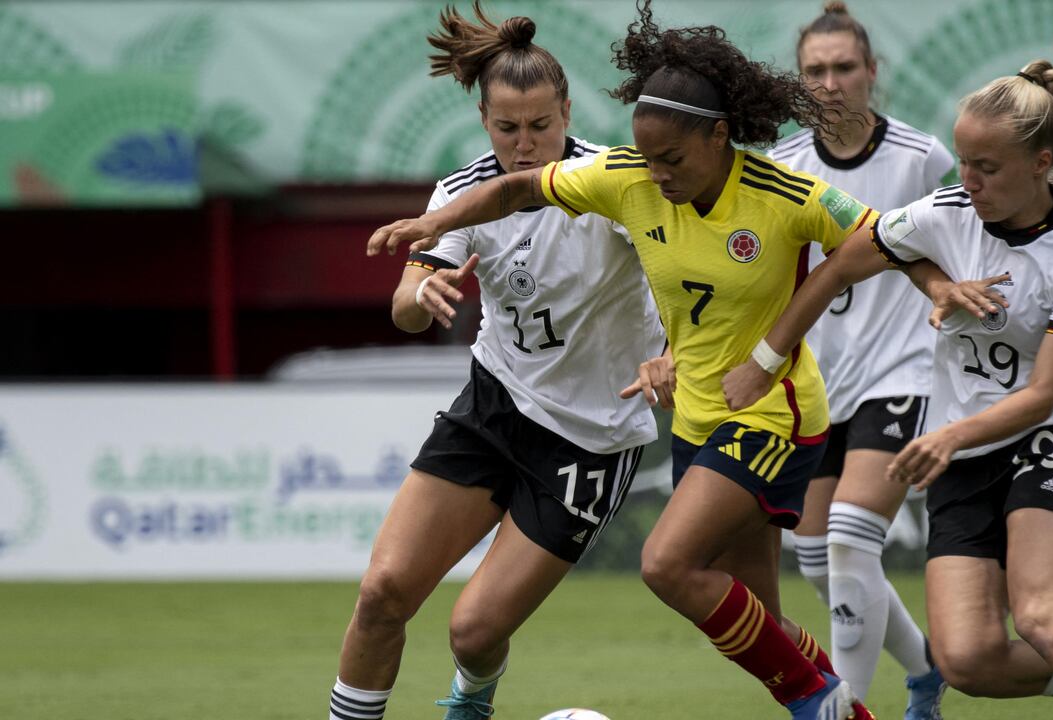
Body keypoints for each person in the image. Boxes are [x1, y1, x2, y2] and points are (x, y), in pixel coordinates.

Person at [365, 2, 981, 715]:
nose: (656, 175)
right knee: (761, 623)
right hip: (698, 417)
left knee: (665, 564)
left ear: (718, 137)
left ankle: (817, 699)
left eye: (672, 160)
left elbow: (881, 239)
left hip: (774, 414)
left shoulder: (783, 192)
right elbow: (516, 189)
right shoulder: (627, 179)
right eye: (647, 158)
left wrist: (935, 288)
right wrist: (436, 222)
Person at [722, 46, 1053, 720]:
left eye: (986, 168)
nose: (967, 180)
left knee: (1041, 616)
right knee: (967, 661)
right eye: (964, 162)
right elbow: (840, 265)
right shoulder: (943, 212)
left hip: (1049, 442)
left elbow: (1046, 393)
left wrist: (949, 435)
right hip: (963, 458)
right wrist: (765, 360)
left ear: (1042, 163)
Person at [329, 5, 664, 720]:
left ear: (567, 111)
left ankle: (471, 700)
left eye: (540, 125)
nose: (525, 144)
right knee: (382, 592)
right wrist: (423, 294)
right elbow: (405, 304)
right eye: (507, 127)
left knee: (474, 632)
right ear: (483, 119)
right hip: (494, 407)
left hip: (589, 440)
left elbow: (685, 281)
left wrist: (670, 355)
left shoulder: (614, 183)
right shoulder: (461, 195)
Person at [771, 3, 952, 716]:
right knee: (820, 562)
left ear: (872, 72)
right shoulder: (781, 167)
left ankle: (843, 709)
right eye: (815, 70)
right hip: (818, 387)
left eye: (844, 67)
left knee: (850, 540)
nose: (830, 83)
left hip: (903, 372)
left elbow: (958, 251)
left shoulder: (922, 158)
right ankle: (927, 668)